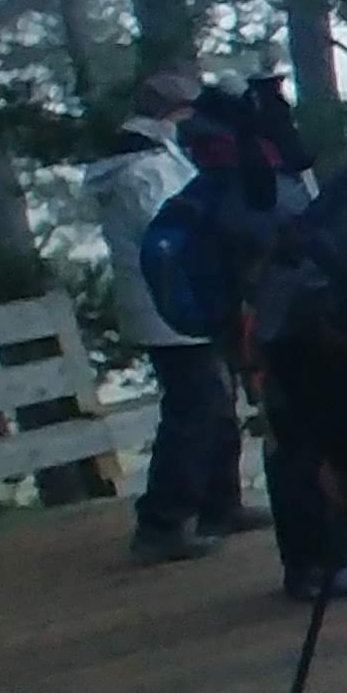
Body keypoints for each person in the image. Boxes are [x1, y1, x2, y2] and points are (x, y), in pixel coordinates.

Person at [179, 80, 347, 603]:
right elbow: (301, 257)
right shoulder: (259, 182)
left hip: (258, 333)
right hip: (293, 331)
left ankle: (308, 564)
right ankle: (328, 563)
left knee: (289, 446)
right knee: (316, 446)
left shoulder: (223, 176)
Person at [85, 65, 264, 562]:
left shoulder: (151, 162)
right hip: (172, 306)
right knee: (195, 409)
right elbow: (178, 235)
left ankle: (219, 503)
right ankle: (163, 521)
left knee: (214, 401)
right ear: (174, 113)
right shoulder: (148, 171)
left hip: (175, 303)